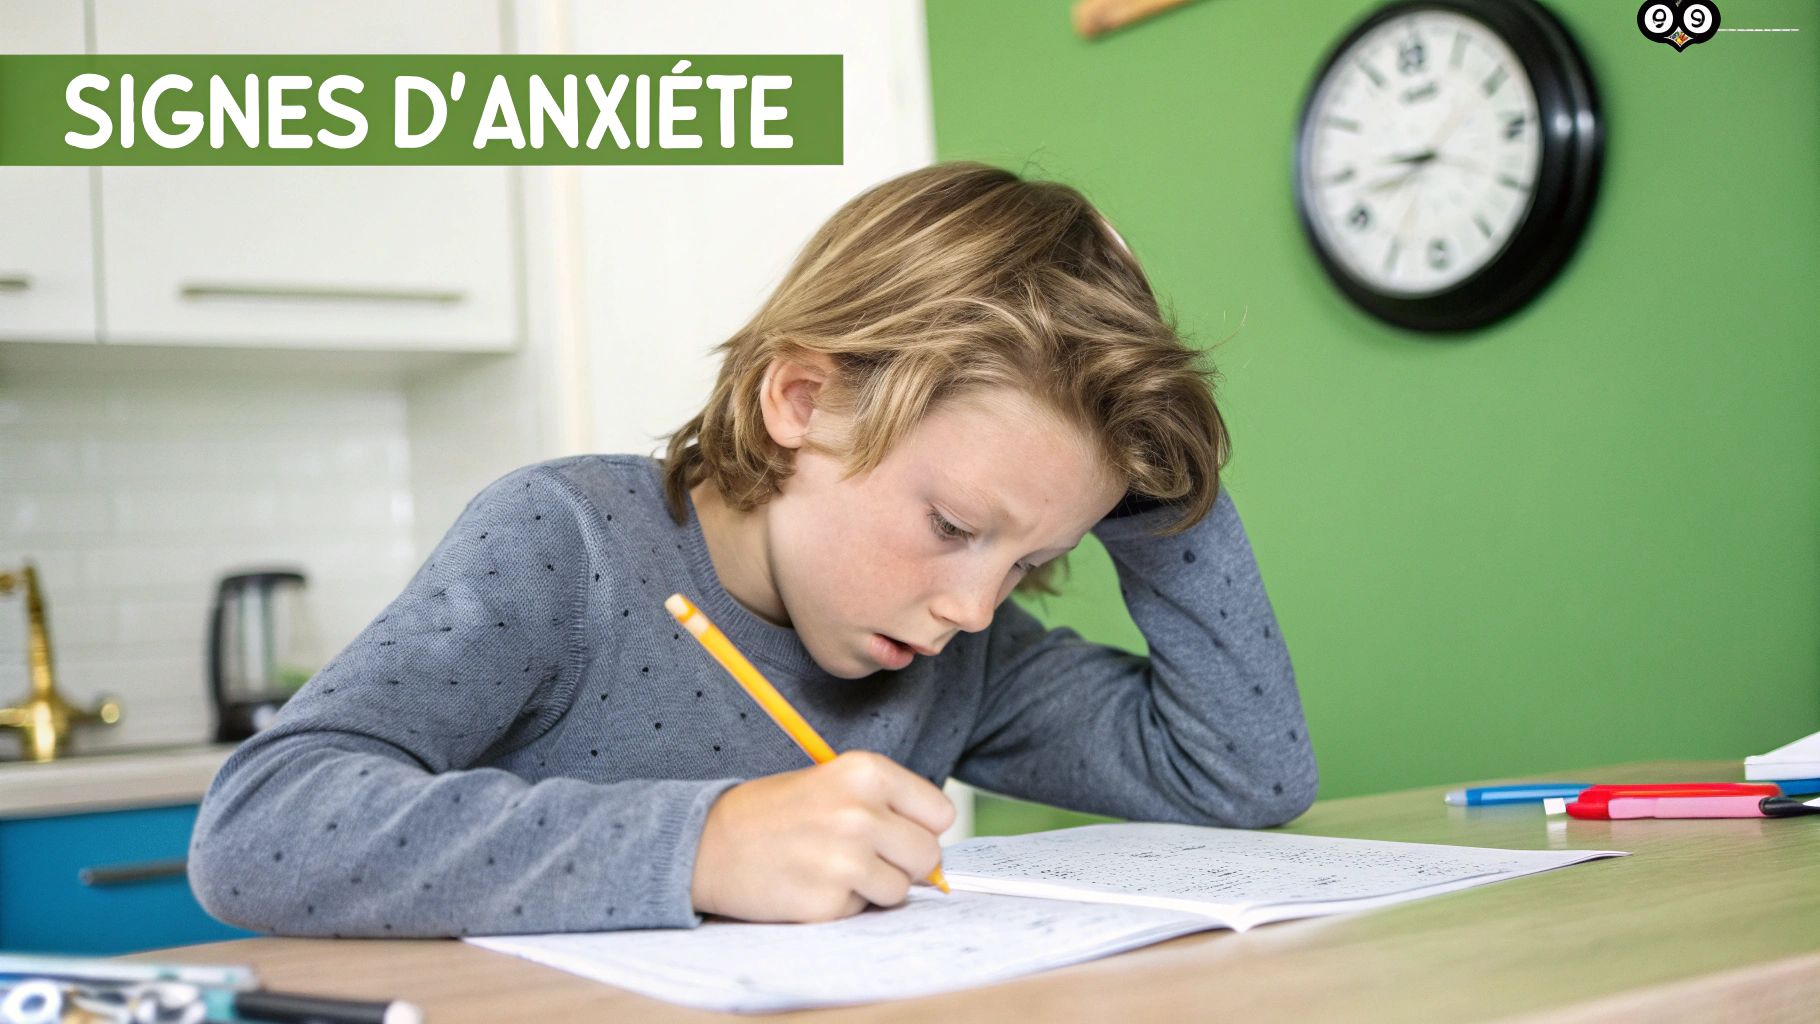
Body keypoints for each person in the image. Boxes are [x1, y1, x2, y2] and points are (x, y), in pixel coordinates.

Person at [188, 160, 1318, 937]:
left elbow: (1239, 775)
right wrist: (699, 844)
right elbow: (259, 826)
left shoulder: (951, 655)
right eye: (953, 527)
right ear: (799, 397)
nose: (975, 606)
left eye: (1025, 561)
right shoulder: (564, 540)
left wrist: (1157, 470)